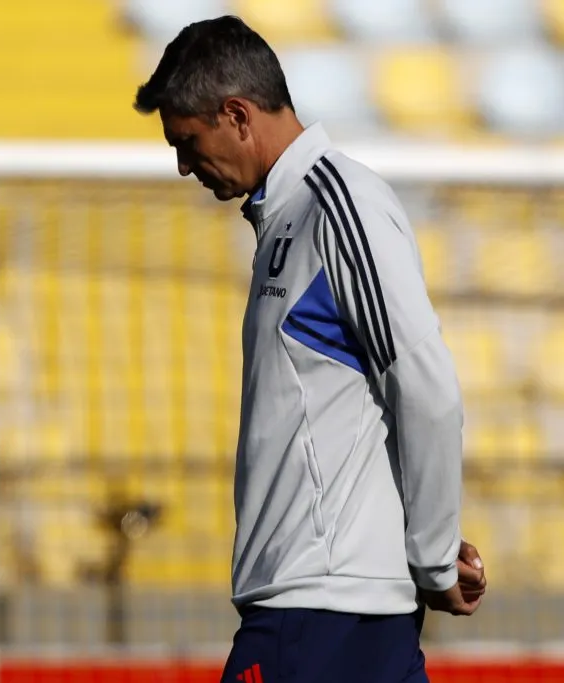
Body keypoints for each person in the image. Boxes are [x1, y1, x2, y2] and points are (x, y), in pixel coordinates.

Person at [135, 16, 486, 683]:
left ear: (237, 115)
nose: (183, 165)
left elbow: (425, 384)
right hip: (330, 611)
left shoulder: (337, 207)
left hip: (319, 616)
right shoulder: (288, 217)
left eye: (188, 142)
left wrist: (435, 555)